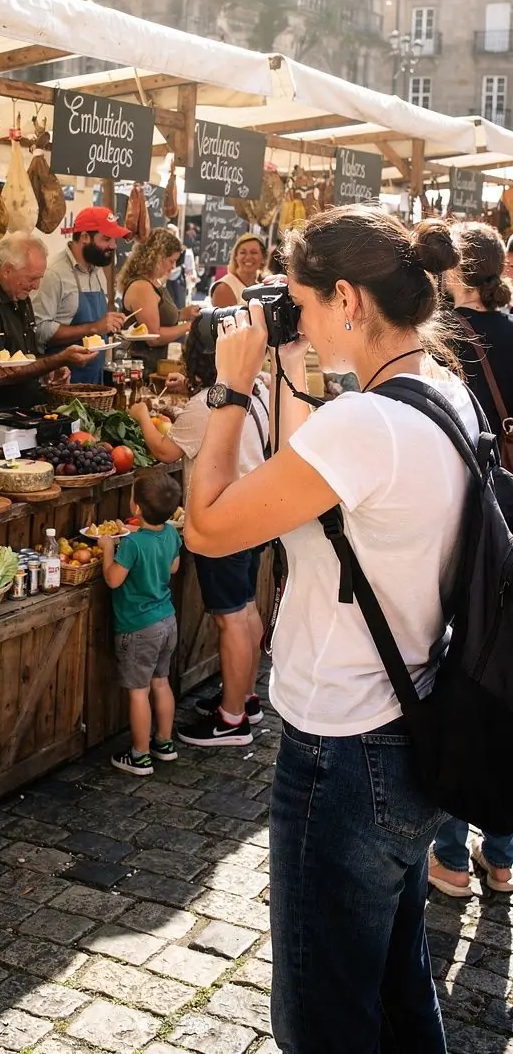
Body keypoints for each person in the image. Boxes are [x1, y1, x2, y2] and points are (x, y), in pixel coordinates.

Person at [185, 207, 478, 1054]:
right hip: (413, 720)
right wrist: (298, 375)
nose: (296, 317)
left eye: (305, 303)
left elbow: (207, 527)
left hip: (343, 748)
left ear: (347, 298)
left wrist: (232, 387)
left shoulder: (367, 426)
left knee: (322, 1015)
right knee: (393, 984)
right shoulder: (437, 392)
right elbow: (329, 489)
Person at [131, 317, 269, 747]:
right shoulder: (258, 387)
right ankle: (245, 699)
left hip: (221, 518)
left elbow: (164, 450)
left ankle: (231, 721)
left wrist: (141, 415)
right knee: (245, 609)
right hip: (253, 512)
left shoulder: (208, 401)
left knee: (230, 620)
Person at [429, 221, 513, 899]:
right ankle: (504, 853)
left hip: (463, 519)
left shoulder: (444, 336)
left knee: (466, 673)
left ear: (455, 272)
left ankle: (452, 855)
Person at [98, 467, 182, 776]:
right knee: (161, 682)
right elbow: (173, 567)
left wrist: (109, 550)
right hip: (166, 621)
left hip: (138, 628)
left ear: (135, 506)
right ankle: (164, 743)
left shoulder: (131, 546)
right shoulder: (172, 532)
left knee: (138, 691)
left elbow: (113, 580)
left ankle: (140, 755)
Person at [0, 231, 100, 413]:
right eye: (32, 278)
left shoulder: (21, 298)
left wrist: (49, 370)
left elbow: (27, 357)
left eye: (39, 278)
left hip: (25, 410)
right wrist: (58, 360)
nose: (36, 286)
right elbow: (0, 375)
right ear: (7, 270)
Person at [33, 208, 128, 384]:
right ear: (84, 237)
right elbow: (39, 330)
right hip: (62, 382)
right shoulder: (54, 273)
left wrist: (110, 324)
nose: (113, 246)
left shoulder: (98, 270)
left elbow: (100, 325)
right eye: (106, 239)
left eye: (114, 239)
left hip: (95, 378)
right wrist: (93, 328)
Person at [445, 222, 513, 438]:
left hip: (459, 463)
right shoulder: (509, 328)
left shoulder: (439, 335)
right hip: (503, 466)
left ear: (456, 268)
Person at [118, 228, 200, 372]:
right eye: (171, 261)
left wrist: (183, 314)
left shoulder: (153, 282)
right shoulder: (141, 287)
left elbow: (157, 316)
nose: (173, 267)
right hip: (143, 369)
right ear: (157, 257)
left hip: (155, 364)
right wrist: (189, 326)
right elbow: (153, 337)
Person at [211, 233, 266, 309]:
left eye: (254, 252)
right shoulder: (224, 288)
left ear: (262, 258)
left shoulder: (264, 284)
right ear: (236, 257)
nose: (248, 257)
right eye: (243, 252)